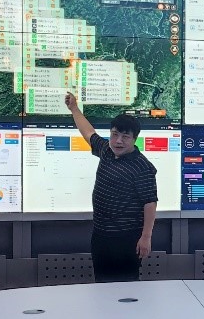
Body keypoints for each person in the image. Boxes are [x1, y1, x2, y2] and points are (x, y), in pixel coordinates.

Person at [64, 91, 158, 283]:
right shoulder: (106, 150)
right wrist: (74, 108)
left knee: (126, 286)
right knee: (102, 283)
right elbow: (88, 132)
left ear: (135, 139)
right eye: (114, 135)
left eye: (125, 137)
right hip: (101, 235)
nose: (118, 141)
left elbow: (150, 203)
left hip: (127, 239)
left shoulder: (142, 167)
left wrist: (146, 237)